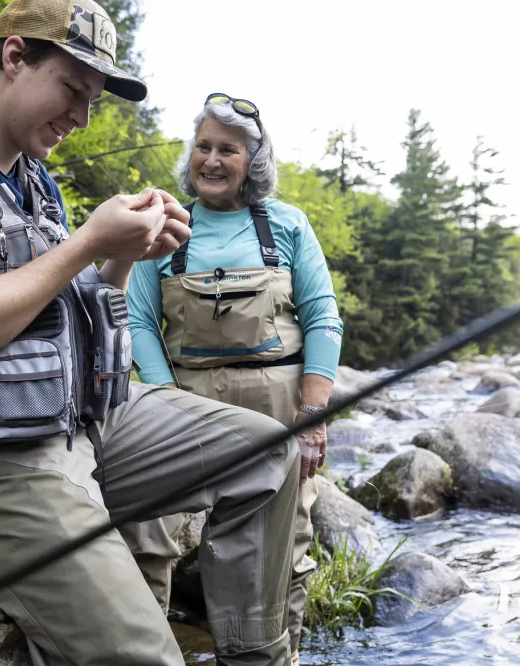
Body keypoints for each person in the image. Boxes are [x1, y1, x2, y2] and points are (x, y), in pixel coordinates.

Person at [0, 0, 302, 665]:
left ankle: (254, 657)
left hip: (76, 418)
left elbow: (73, 314)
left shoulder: (34, 178)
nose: (81, 117)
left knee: (266, 452)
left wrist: (119, 258)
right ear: (15, 57)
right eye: (72, 90)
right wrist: (84, 243)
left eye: (93, 100)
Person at [120, 94, 344, 662]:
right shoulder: (165, 223)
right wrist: (162, 397)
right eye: (203, 146)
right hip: (182, 402)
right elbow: (140, 320)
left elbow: (323, 316)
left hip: (279, 405)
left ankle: (272, 656)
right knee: (146, 534)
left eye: (229, 149)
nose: (212, 160)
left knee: (283, 549)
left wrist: (312, 415)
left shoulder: (288, 224)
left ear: (254, 160)